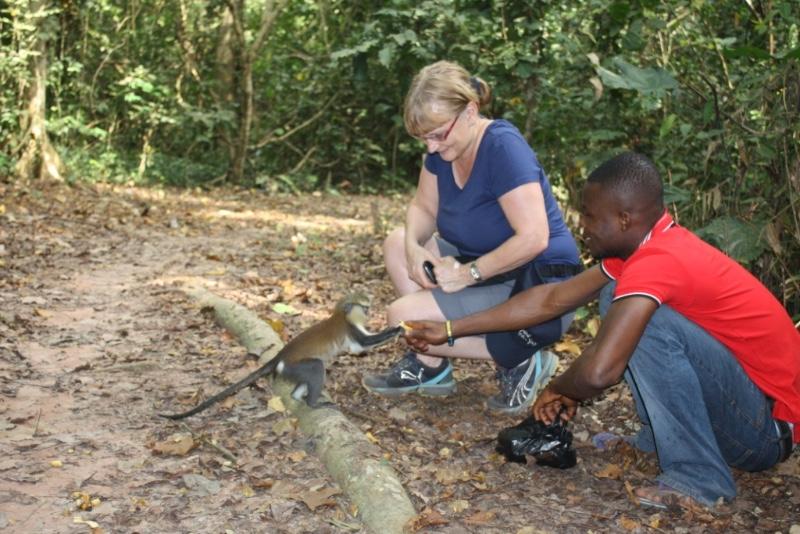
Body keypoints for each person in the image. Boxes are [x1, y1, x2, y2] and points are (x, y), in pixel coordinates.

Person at [404, 152, 800, 509]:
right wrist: (451, 329)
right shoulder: (645, 248)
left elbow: (600, 372)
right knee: (617, 295)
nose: (581, 225)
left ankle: (700, 476)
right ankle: (657, 439)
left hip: (765, 433)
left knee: (647, 320)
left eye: (590, 215)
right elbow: (551, 299)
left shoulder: (658, 261)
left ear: (624, 219)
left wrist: (559, 387)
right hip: (743, 411)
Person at [361, 60, 582, 414]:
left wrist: (468, 274)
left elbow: (534, 238)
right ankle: (431, 367)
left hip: (539, 285)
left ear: (470, 112)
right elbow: (422, 208)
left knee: (401, 319)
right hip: (486, 267)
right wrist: (414, 249)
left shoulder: (502, 147)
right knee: (396, 242)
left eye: (437, 134)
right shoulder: (443, 152)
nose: (431, 148)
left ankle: (521, 358)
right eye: (423, 138)